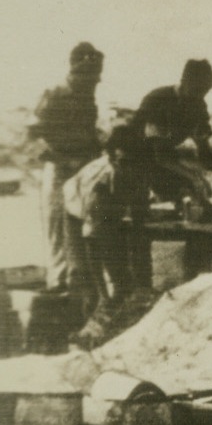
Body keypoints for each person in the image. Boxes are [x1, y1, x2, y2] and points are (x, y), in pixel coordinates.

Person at [28, 42, 105, 315]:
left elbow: (88, 133)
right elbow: (33, 137)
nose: (96, 82)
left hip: (84, 169)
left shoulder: (88, 97)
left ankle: (80, 287)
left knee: (81, 229)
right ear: (77, 71)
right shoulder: (55, 94)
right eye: (92, 76)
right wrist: (62, 160)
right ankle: (59, 287)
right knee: (58, 227)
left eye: (98, 76)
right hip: (60, 170)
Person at [62, 122, 152, 316]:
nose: (131, 167)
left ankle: (127, 298)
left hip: (109, 211)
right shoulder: (102, 182)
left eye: (134, 162)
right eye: (124, 162)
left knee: (125, 280)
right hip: (77, 211)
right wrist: (104, 291)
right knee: (92, 287)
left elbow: (139, 219)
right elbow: (94, 240)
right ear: (113, 156)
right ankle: (98, 312)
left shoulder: (138, 168)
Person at [132, 59, 212, 209]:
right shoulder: (158, 100)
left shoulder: (198, 106)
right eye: (197, 90)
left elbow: (203, 150)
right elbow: (159, 155)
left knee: (198, 194)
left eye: (205, 92)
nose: (200, 96)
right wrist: (194, 176)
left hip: (164, 159)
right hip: (136, 160)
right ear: (184, 82)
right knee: (182, 190)